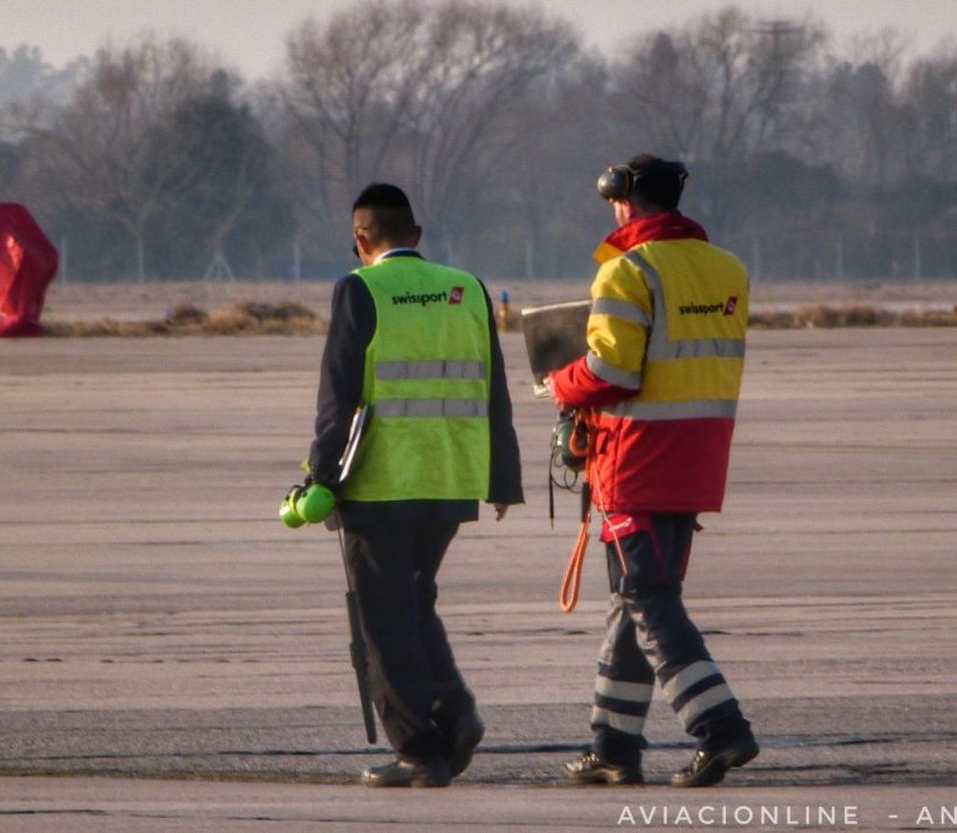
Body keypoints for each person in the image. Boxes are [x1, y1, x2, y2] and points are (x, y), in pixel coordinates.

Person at [547, 154, 758, 788]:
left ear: (626, 201)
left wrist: (558, 380)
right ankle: (614, 746)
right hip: (697, 459)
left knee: (645, 598)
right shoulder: (727, 268)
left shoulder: (625, 270)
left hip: (634, 459)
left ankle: (720, 728)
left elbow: (611, 371)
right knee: (630, 605)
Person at [307, 183, 523, 788]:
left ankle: (418, 748)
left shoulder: (359, 288)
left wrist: (320, 478)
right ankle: (452, 711)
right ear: (417, 236)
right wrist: (503, 480)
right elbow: (494, 390)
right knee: (414, 598)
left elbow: (338, 397)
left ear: (360, 240)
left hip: (380, 483)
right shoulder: (469, 290)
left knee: (383, 619)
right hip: (452, 478)